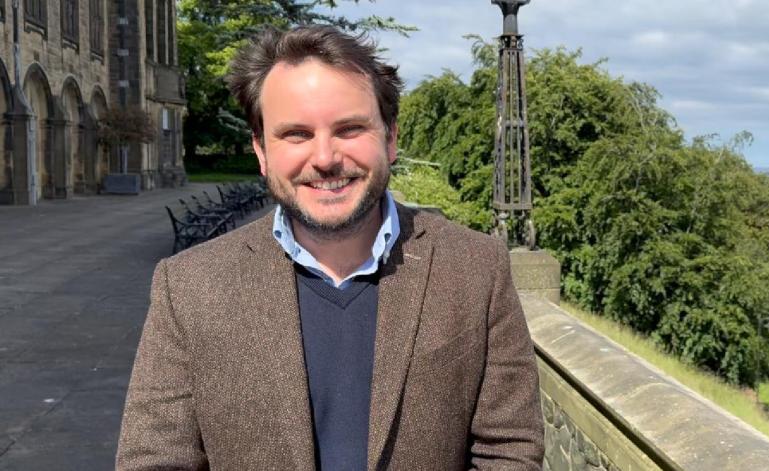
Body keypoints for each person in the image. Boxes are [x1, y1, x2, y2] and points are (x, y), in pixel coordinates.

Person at [116, 25, 543, 470]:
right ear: (261, 151)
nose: (325, 157)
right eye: (296, 134)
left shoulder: (477, 268)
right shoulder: (188, 286)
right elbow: (155, 460)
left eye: (350, 128)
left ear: (390, 138)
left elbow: (508, 451)